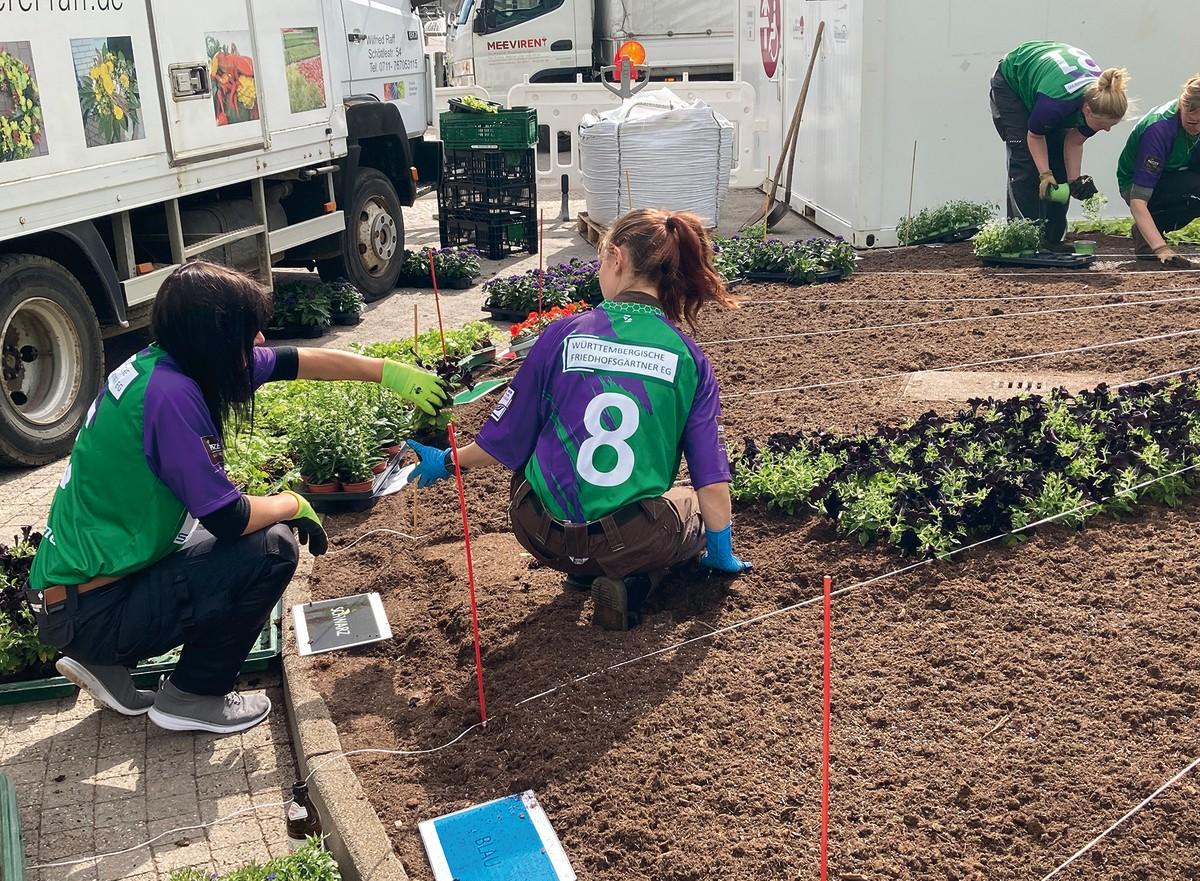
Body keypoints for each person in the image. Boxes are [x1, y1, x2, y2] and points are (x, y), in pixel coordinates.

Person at [26, 262, 447, 734]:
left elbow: (298, 362)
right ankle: (194, 695)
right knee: (271, 546)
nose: (261, 341)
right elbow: (229, 517)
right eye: (250, 332)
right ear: (215, 336)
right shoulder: (172, 396)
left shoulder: (170, 362)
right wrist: (292, 502)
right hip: (94, 612)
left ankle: (101, 663)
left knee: (233, 532)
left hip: (74, 598)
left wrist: (389, 373)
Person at [405, 208, 751, 632]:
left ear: (618, 258)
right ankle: (636, 581)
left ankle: (581, 571)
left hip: (538, 531)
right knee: (691, 504)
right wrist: (720, 552)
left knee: (545, 463)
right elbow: (711, 479)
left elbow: (504, 442)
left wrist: (444, 461)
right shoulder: (687, 358)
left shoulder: (562, 334)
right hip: (630, 541)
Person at [990, 41, 1130, 247]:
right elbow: (1034, 137)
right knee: (1027, 160)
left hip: (1052, 85)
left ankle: (1053, 239)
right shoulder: (1055, 105)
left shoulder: (1100, 99)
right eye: (1103, 125)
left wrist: (1075, 181)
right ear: (1087, 110)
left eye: (1111, 125)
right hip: (1013, 82)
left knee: (1058, 162)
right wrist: (1045, 174)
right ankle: (1023, 240)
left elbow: (1074, 141)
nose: (1106, 130)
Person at [1116, 73, 1200, 268]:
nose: (1197, 128)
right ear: (1182, 106)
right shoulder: (1159, 129)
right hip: (1136, 183)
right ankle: (1148, 238)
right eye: (1192, 122)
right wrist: (1160, 248)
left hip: (1178, 171)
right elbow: (1138, 200)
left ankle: (1147, 230)